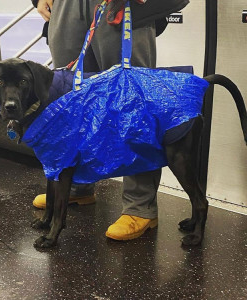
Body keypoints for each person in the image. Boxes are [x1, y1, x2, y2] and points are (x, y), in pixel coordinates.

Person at [31, 0, 189, 240]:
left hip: (122, 4)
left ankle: (140, 206)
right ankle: (77, 186)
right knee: (71, 101)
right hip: (65, 5)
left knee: (132, 102)